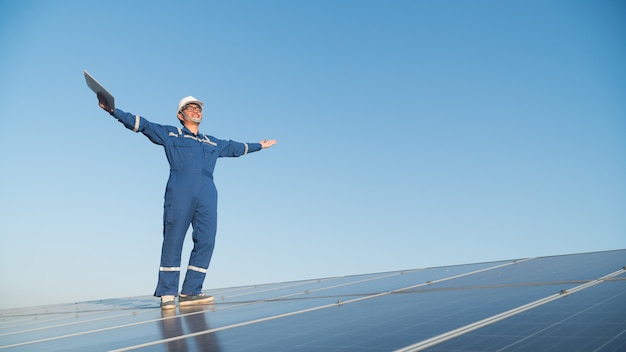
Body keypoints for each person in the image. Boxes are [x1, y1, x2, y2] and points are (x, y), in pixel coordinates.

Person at [97, 93, 276, 309]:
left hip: (208, 193)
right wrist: (113, 111)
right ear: (180, 115)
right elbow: (142, 124)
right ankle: (167, 292)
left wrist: (259, 145)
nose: (196, 111)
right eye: (190, 108)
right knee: (174, 238)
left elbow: (235, 147)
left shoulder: (211, 142)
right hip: (180, 188)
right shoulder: (170, 134)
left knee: (207, 239)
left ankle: (191, 291)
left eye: (198, 108)